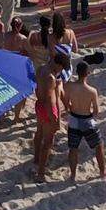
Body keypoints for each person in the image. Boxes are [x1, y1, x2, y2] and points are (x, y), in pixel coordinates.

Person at [62, 61, 106, 181]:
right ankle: (102, 172)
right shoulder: (92, 91)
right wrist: (91, 116)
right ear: (88, 73)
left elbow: (66, 103)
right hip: (87, 119)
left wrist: (71, 108)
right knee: (99, 145)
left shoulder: (69, 86)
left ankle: (73, 175)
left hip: (74, 119)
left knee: (73, 148)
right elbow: (96, 111)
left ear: (77, 72)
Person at [32, 52, 69, 182]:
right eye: (61, 68)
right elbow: (49, 99)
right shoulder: (51, 77)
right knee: (48, 141)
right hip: (48, 108)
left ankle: (36, 159)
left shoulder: (41, 69)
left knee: (39, 132)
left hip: (39, 105)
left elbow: (37, 90)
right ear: (58, 65)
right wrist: (55, 119)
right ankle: (41, 173)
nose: (61, 71)